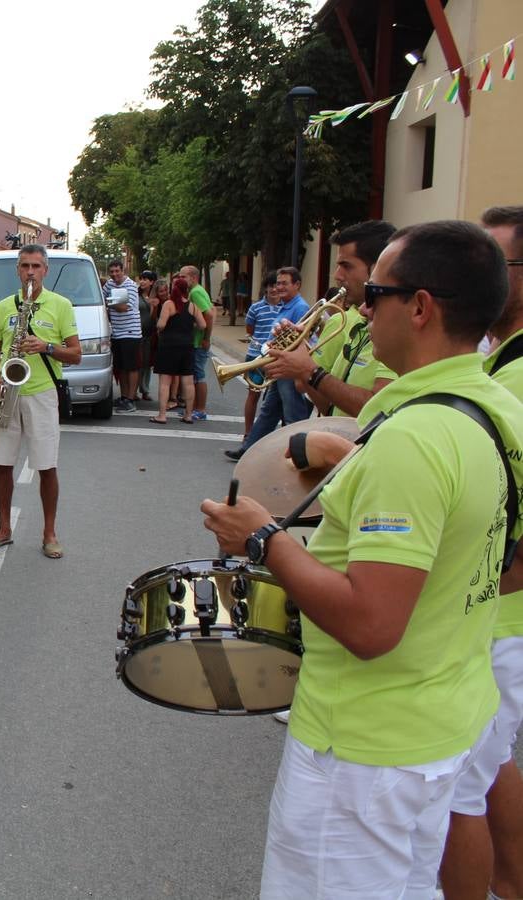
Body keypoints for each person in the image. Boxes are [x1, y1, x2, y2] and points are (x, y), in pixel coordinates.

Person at [202, 219, 523, 900]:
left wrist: (262, 537)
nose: (362, 306)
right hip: (437, 722)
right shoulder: (496, 409)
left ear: (421, 307)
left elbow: (372, 626)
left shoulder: (415, 438)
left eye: (374, 292)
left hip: (363, 750)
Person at [440, 206, 523, 900]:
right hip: (488, 613)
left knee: (462, 792)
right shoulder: (500, 355)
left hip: (500, 617)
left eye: (497, 265)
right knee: (488, 770)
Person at [0, 244, 80, 559]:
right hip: (8, 391)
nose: (30, 272)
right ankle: (3, 528)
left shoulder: (61, 305)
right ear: (17, 270)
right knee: (2, 464)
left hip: (41, 392)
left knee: (46, 466)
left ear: (46, 270)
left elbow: (76, 354)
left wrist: (47, 347)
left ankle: (50, 532)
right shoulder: (3, 307)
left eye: (36, 266)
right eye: (25, 266)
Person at [260, 221, 398, 421]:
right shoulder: (355, 323)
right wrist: (301, 354)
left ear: (377, 267)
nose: (337, 276)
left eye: (346, 266)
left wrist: (309, 370)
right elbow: (329, 407)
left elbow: (377, 411)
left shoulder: (394, 331)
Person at [223, 267, 312, 461]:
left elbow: (301, 341)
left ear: (297, 285)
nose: (279, 287)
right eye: (277, 283)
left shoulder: (300, 308)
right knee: (269, 412)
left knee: (292, 414)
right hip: (279, 367)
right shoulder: (285, 305)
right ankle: (249, 449)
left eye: (284, 283)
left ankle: (299, 455)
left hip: (287, 370)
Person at [148, 277, 205, 425]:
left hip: (168, 346)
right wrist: (189, 326)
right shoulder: (192, 306)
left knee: (165, 382)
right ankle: (188, 415)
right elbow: (203, 325)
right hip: (187, 346)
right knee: (188, 382)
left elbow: (161, 325)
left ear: (174, 289)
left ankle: (162, 415)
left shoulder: (169, 304)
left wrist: (162, 326)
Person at [241, 272, 283, 435]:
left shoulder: (285, 307)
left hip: (275, 357)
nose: (273, 289)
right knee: (253, 394)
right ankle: (248, 433)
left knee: (274, 398)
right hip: (256, 355)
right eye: (270, 286)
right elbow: (250, 330)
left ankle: (266, 434)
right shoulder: (256, 307)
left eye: (276, 286)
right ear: (265, 289)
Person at [104, 260, 141, 410]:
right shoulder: (109, 285)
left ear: (122, 270)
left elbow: (124, 307)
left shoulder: (131, 286)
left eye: (117, 271)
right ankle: (124, 396)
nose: (114, 274)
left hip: (131, 332)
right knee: (122, 368)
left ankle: (131, 399)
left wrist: (108, 303)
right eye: (112, 272)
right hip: (117, 333)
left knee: (131, 367)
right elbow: (101, 296)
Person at [179, 265, 214, 422]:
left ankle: (200, 409)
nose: (181, 279)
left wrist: (206, 338)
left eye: (183, 276)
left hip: (198, 342)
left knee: (198, 375)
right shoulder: (197, 291)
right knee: (194, 375)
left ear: (193, 277)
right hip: (197, 340)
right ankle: (192, 408)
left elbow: (209, 314)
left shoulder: (196, 292)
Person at [136, 270, 158, 401]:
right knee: (137, 363)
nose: (142, 281)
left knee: (146, 364)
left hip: (150, 334)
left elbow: (154, 318)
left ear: (152, 282)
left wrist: (154, 307)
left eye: (146, 279)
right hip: (137, 333)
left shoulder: (155, 297)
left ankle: (145, 389)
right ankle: (134, 391)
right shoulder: (135, 295)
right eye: (141, 278)